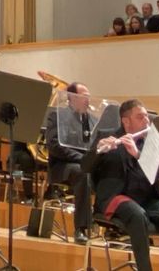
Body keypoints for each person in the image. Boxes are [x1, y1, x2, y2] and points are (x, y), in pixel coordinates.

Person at [90, 99, 159, 271]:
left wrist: (138, 155)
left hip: (148, 200)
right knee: (137, 215)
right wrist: (98, 151)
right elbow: (85, 167)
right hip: (116, 198)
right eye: (140, 117)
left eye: (146, 117)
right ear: (126, 121)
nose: (146, 121)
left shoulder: (152, 143)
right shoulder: (106, 136)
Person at [43, 81, 100, 241]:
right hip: (63, 166)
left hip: (85, 164)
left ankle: (108, 224)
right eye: (84, 96)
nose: (88, 100)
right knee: (83, 173)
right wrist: (82, 159)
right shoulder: (57, 116)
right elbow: (54, 146)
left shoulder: (94, 121)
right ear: (72, 98)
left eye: (89, 96)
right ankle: (81, 228)